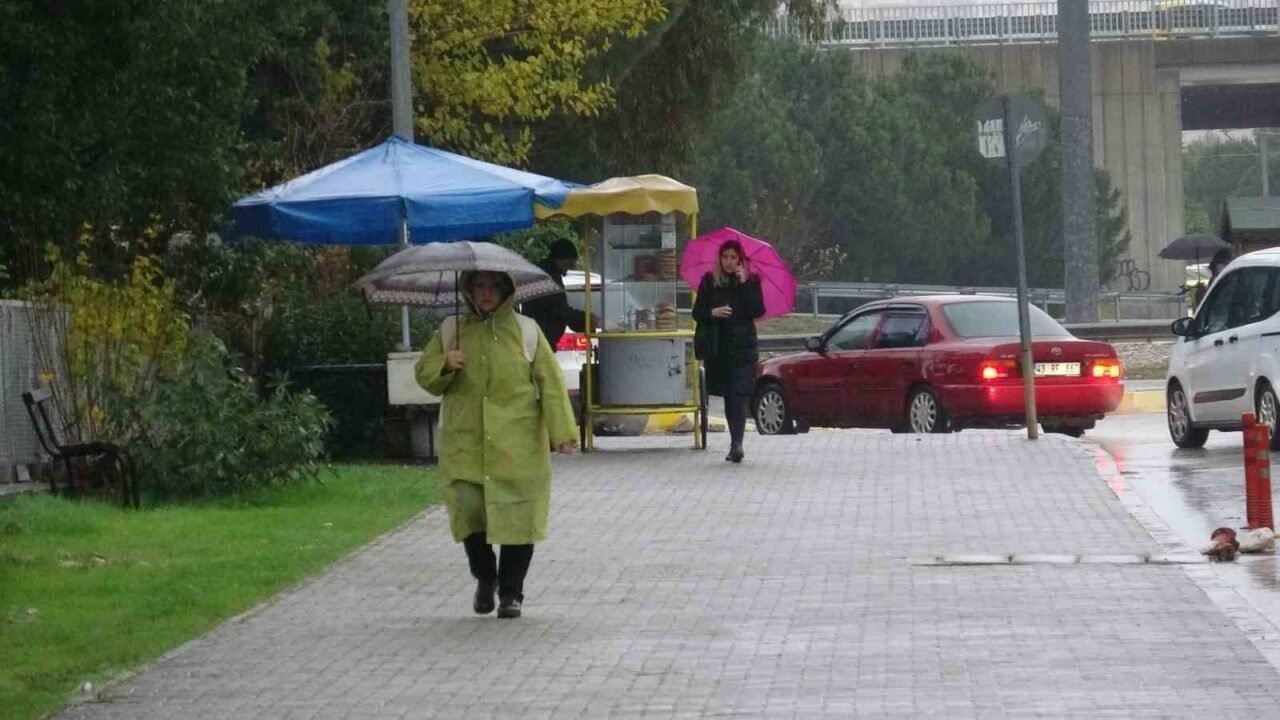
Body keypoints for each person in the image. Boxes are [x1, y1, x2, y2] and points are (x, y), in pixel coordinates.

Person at [416, 270, 578, 619]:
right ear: (468, 291)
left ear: (506, 291)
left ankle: (511, 593)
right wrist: (445, 363)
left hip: (517, 443)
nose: (486, 293)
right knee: (468, 510)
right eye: (478, 287)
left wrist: (563, 432)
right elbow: (425, 375)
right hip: (465, 441)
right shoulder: (451, 330)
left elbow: (550, 383)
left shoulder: (526, 331)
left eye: (493, 287)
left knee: (519, 515)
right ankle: (485, 576)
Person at [692, 240, 766, 464]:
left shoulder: (751, 281)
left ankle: (737, 444)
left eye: (734, 257)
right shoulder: (710, 281)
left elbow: (757, 309)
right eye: (725, 257)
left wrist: (743, 283)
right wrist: (712, 312)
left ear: (740, 260)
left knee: (740, 395)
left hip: (743, 348)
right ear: (720, 259)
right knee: (728, 396)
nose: (729, 262)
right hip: (720, 348)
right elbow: (697, 313)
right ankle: (734, 443)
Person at [522, 238, 590, 349]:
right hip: (541, 341)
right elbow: (561, 310)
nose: (571, 268)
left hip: (538, 339)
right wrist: (586, 320)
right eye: (571, 263)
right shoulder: (547, 278)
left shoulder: (545, 273)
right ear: (562, 259)